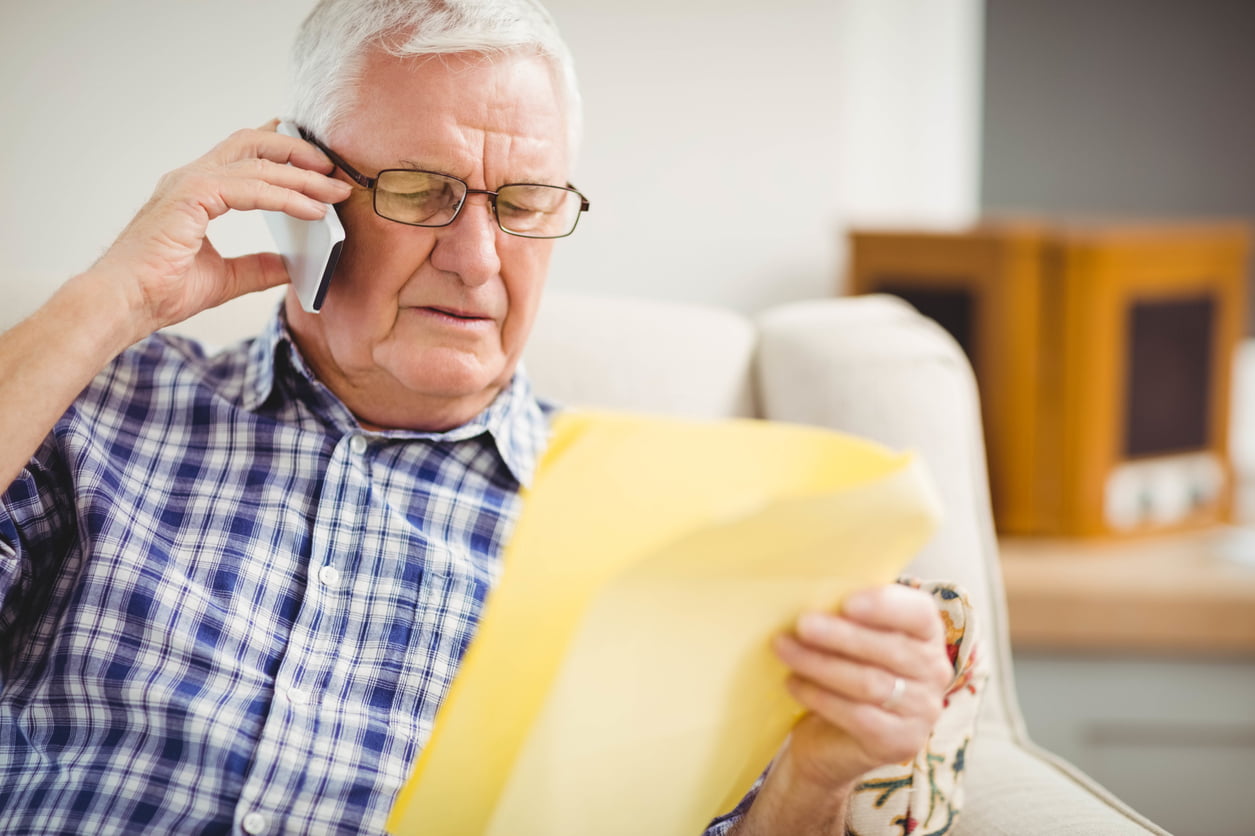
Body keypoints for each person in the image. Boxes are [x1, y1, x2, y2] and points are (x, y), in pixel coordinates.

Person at [0, 1, 980, 833]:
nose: (477, 259)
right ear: (300, 196)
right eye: (423, 192)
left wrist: (815, 777)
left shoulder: (657, 524)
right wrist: (109, 300)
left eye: (522, 202)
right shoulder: (90, 402)